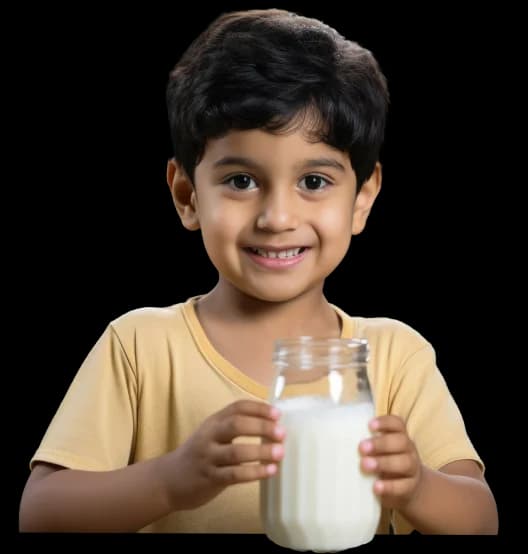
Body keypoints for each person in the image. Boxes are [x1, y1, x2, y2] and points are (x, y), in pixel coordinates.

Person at [19, 8, 498, 534]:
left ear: (361, 199)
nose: (277, 218)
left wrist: (418, 486)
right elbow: (41, 512)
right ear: (187, 195)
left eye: (314, 182)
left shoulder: (392, 357)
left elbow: (480, 518)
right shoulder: (140, 347)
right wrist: (171, 480)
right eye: (242, 181)